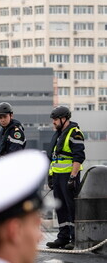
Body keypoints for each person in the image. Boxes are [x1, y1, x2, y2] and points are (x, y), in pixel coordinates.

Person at [46, 105, 85, 250]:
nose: (53, 122)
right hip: (57, 176)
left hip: (69, 176)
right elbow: (55, 158)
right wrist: (51, 176)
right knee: (60, 207)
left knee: (71, 207)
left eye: (56, 119)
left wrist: (73, 177)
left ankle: (75, 238)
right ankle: (63, 237)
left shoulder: (75, 133)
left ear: (64, 119)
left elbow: (78, 157)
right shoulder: (58, 135)